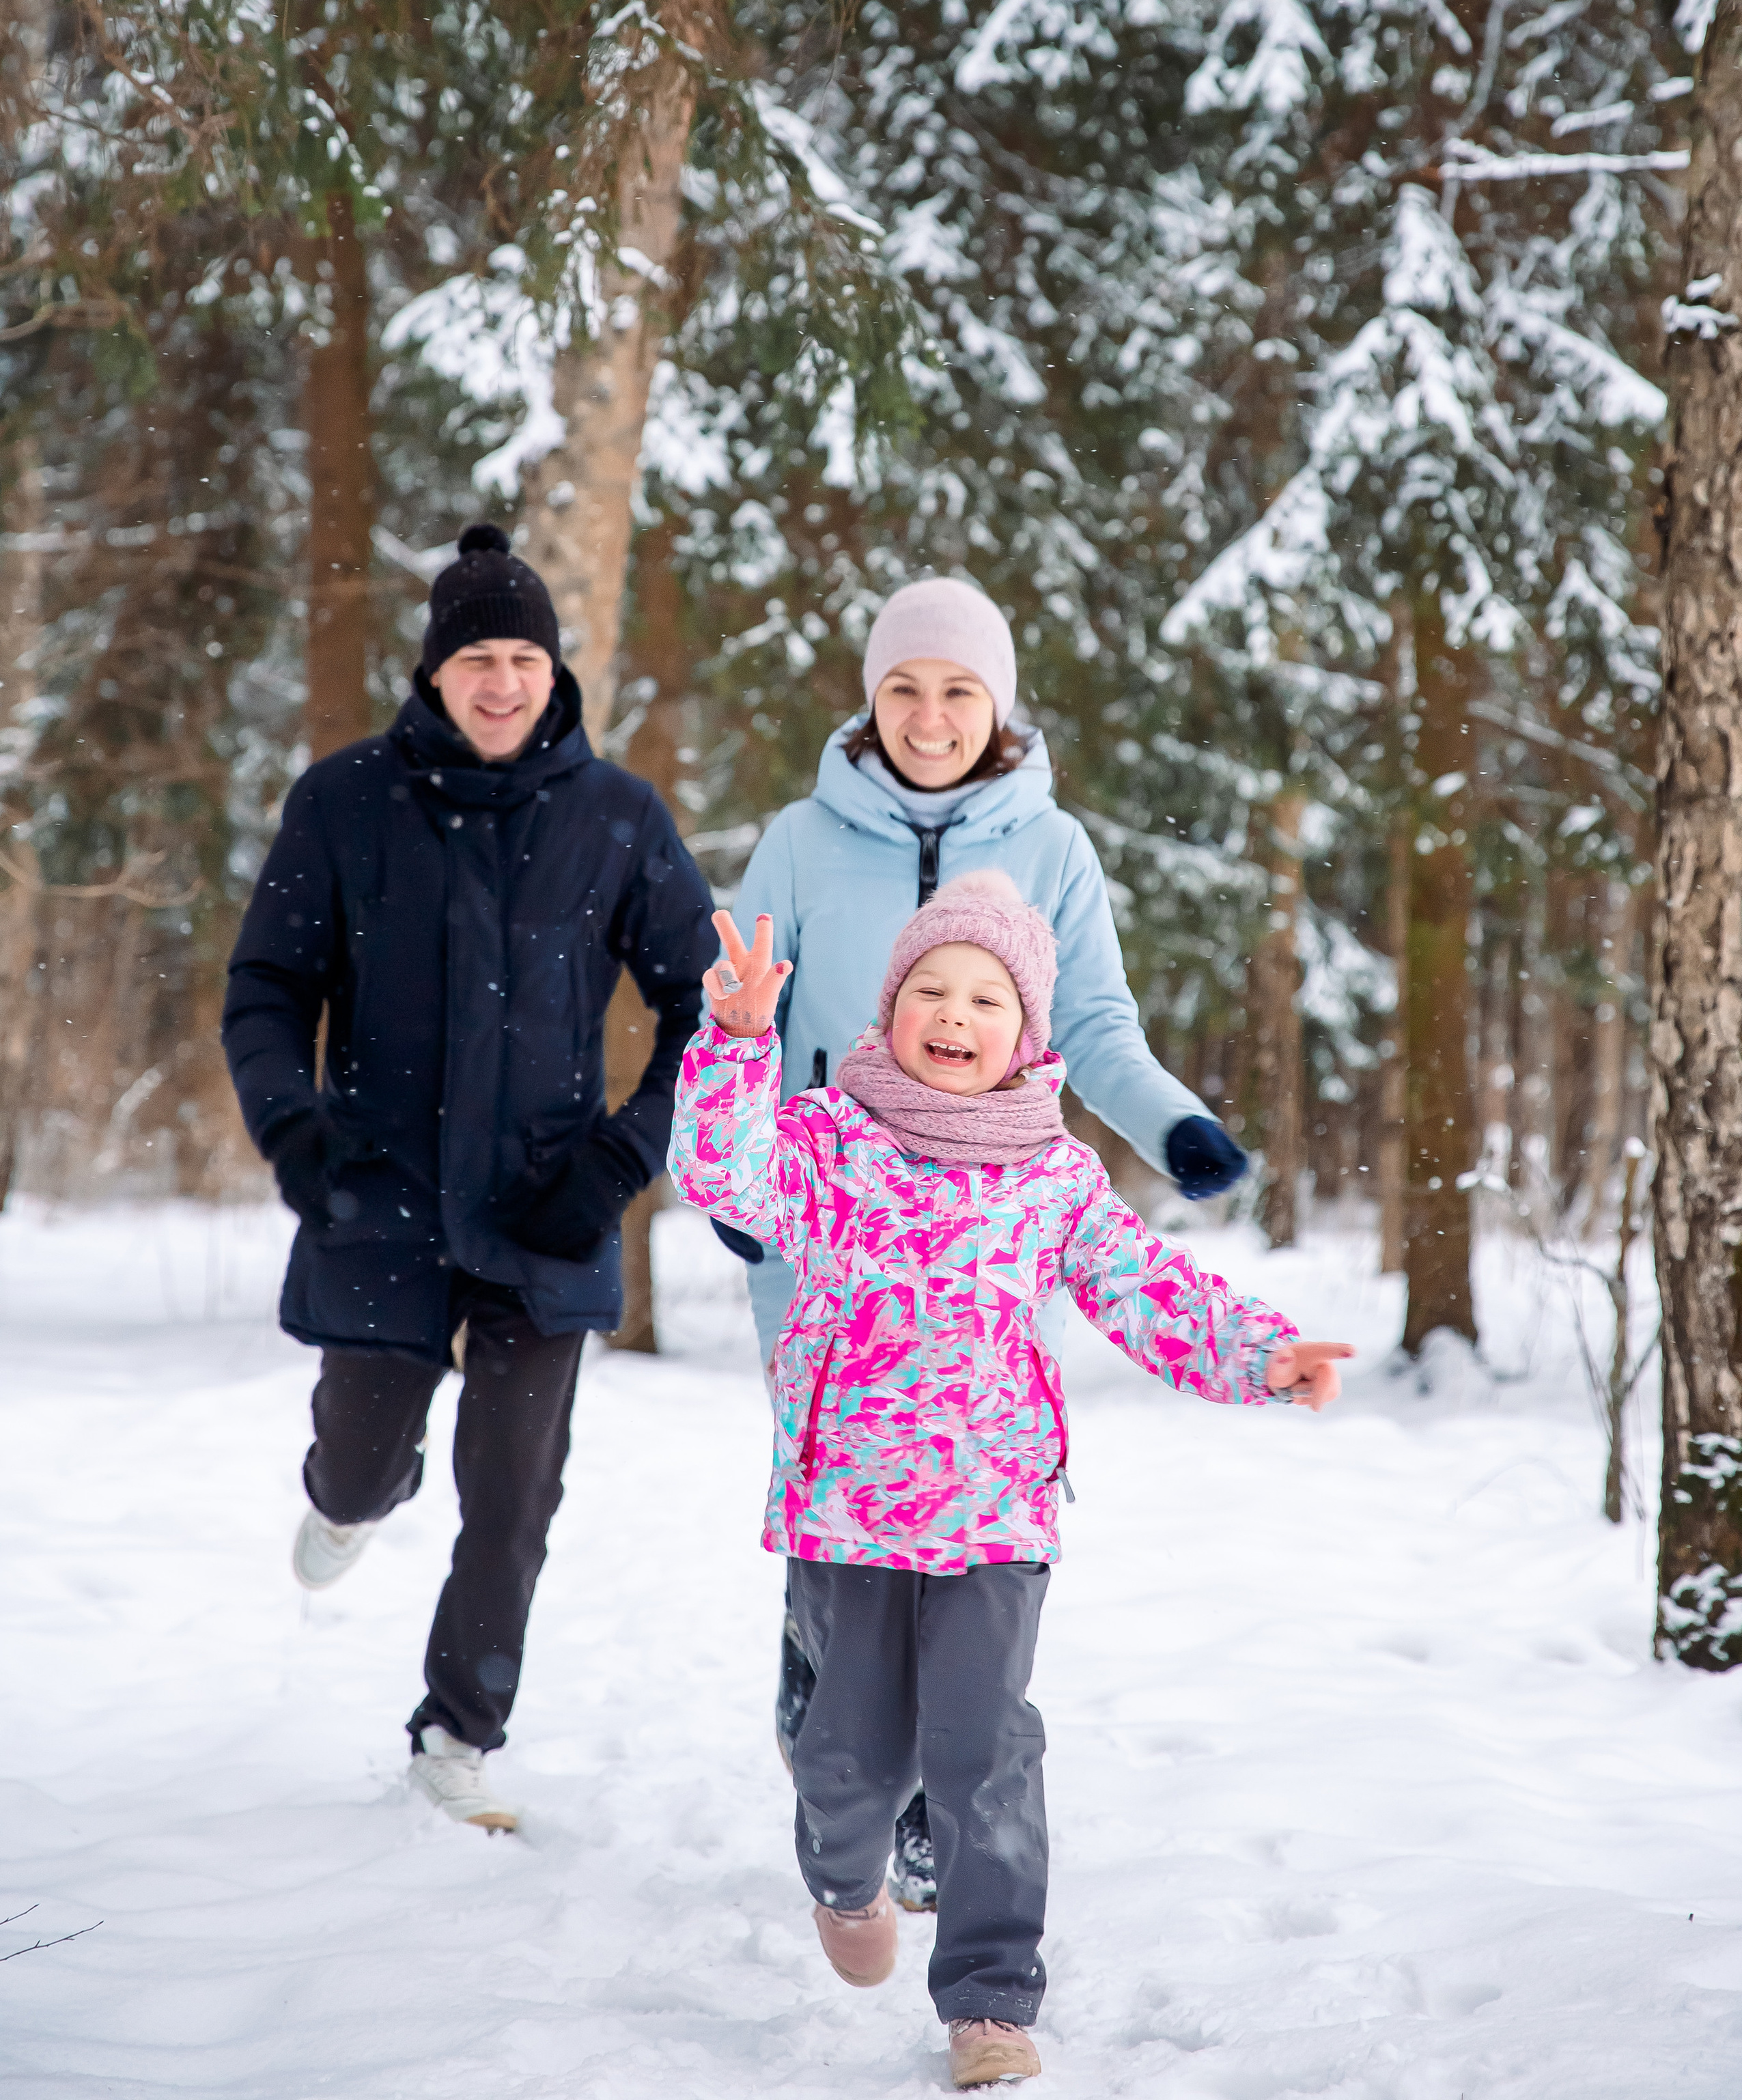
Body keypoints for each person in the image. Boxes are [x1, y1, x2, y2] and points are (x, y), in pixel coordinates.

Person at [672, 886, 1351, 2090]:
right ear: (892, 1008)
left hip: (996, 1515)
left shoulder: (1055, 1176)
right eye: (930, 990)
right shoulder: (828, 1139)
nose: (955, 1015)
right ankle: (845, 1880)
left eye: (987, 999)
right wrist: (735, 1042)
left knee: (985, 1750)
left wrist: (1262, 1354)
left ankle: (989, 2000)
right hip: (848, 1512)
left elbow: (1150, 1289)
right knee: (849, 1762)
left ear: (1027, 1031)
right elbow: (727, 1177)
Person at [725, 574, 1248, 1907]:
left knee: (964, 1489)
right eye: (903, 687)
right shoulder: (799, 839)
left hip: (987, 1227)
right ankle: (824, 1676)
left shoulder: (1052, 849)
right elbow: (735, 1002)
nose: (929, 715)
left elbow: (1097, 1027)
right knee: (839, 1470)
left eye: (958, 690)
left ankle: (921, 1802)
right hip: (824, 1223)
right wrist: (745, 1175)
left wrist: (1172, 1125)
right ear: (870, 698)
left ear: (997, 705)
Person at [223, 523, 715, 1831]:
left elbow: (714, 1011)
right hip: (375, 1192)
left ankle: (457, 1732)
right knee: (360, 1463)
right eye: (478, 660)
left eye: (525, 661)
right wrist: (293, 1130)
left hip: (547, 1205)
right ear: (434, 674)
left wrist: (621, 1158)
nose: (503, 684)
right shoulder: (344, 802)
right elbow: (266, 986)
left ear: (556, 673)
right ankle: (352, 1497)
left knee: (512, 1494)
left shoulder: (618, 818)